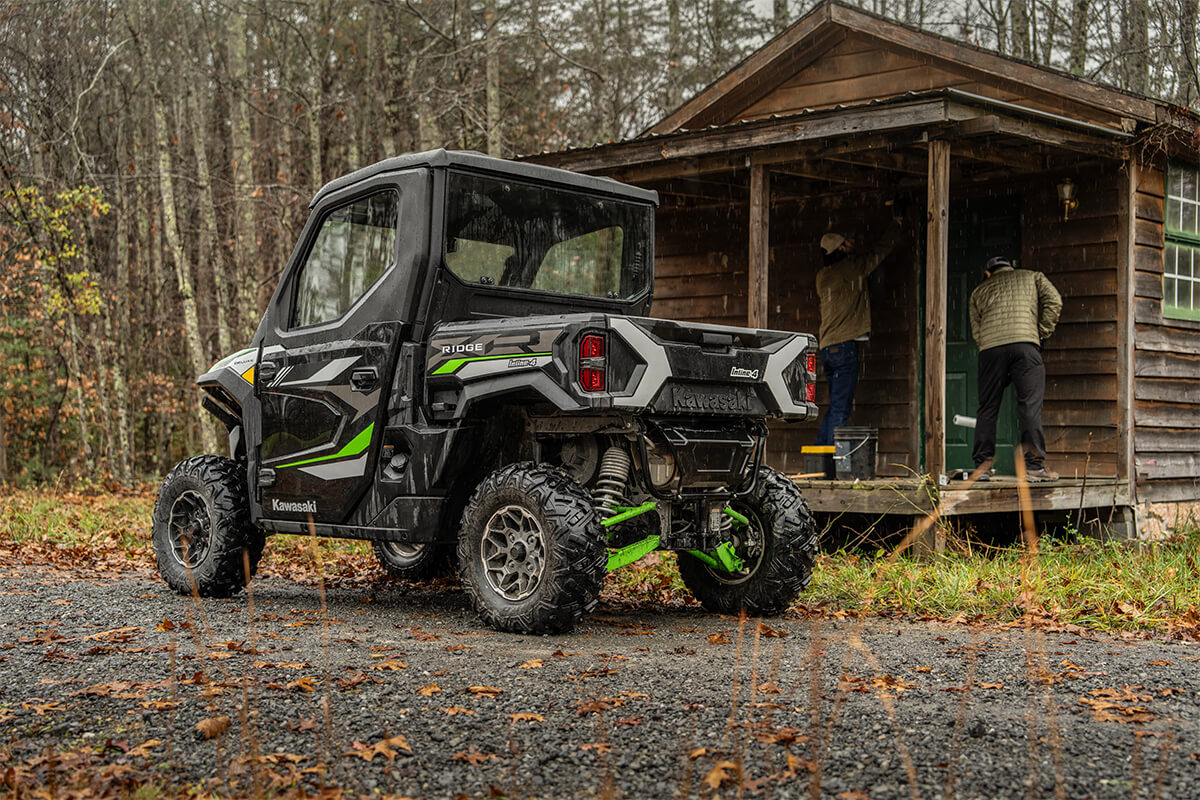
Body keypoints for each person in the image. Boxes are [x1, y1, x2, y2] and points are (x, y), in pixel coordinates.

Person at [969, 255, 1063, 482]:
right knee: (1029, 406)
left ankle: (982, 467)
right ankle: (1033, 466)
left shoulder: (979, 291)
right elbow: (1055, 301)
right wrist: (1041, 333)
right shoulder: (1033, 277)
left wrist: (988, 344)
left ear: (988, 273)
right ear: (1011, 268)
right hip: (1025, 346)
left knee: (988, 408)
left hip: (991, 350)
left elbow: (976, 329)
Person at [814, 213, 902, 446]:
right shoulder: (851, 269)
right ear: (840, 250)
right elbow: (877, 253)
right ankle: (837, 464)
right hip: (844, 348)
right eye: (846, 244)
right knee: (840, 411)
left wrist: (847, 246)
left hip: (827, 348)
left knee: (835, 407)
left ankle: (820, 461)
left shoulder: (822, 276)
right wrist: (897, 223)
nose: (851, 245)